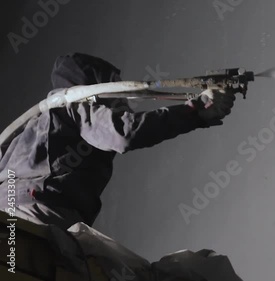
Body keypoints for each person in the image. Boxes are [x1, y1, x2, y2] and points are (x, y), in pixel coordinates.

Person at [0, 52, 236, 230]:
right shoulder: (75, 106)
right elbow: (125, 133)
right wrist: (196, 111)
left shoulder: (25, 131)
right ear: (93, 84)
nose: (121, 102)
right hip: (39, 214)